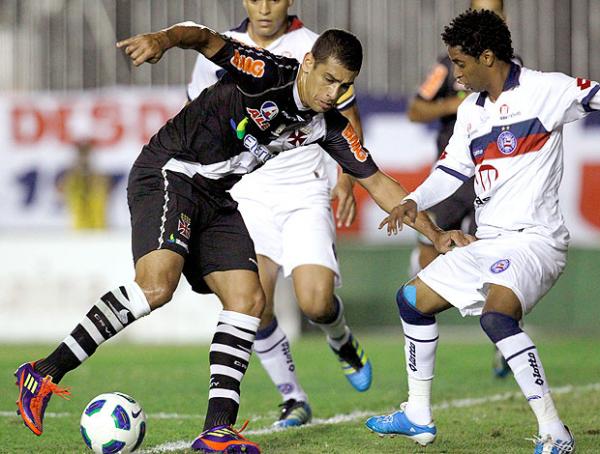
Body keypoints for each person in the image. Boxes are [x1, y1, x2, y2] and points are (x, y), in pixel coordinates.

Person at [15, 22, 470, 453]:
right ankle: (42, 372)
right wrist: (161, 39)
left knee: (249, 300)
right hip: (173, 170)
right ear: (308, 62)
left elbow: (379, 181)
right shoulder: (265, 73)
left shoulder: (326, 126)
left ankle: (217, 430)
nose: (333, 94)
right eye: (328, 79)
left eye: (344, 86)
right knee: (156, 288)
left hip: (216, 194)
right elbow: (203, 37)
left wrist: (435, 231)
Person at [366, 9, 599, 453]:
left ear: (487, 57)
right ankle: (418, 414)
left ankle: (555, 430)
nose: (454, 74)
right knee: (412, 300)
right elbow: (452, 169)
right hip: (488, 241)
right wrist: (415, 199)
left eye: (459, 63)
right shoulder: (471, 111)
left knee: (496, 317)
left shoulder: (545, 90)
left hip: (535, 240)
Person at [187, 0, 368, 429]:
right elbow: (199, 121)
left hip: (305, 186)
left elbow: (348, 115)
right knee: (252, 302)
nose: (265, 7)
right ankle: (293, 396)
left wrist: (346, 179)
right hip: (247, 189)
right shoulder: (223, 49)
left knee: (316, 302)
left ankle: (340, 338)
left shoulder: (314, 47)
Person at [407, 0, 516, 378]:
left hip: (495, 174)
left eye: (495, 13)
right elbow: (416, 109)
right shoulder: (449, 65)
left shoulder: (516, 70)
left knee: (498, 257)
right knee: (428, 247)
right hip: (453, 175)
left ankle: (506, 334)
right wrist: (456, 103)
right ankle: (422, 333)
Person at [57, 140, 110, 230]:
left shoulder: (99, 178)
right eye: (81, 154)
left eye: (86, 154)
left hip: (98, 228)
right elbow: (61, 194)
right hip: (78, 229)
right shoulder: (71, 179)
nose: (84, 158)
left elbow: (103, 200)